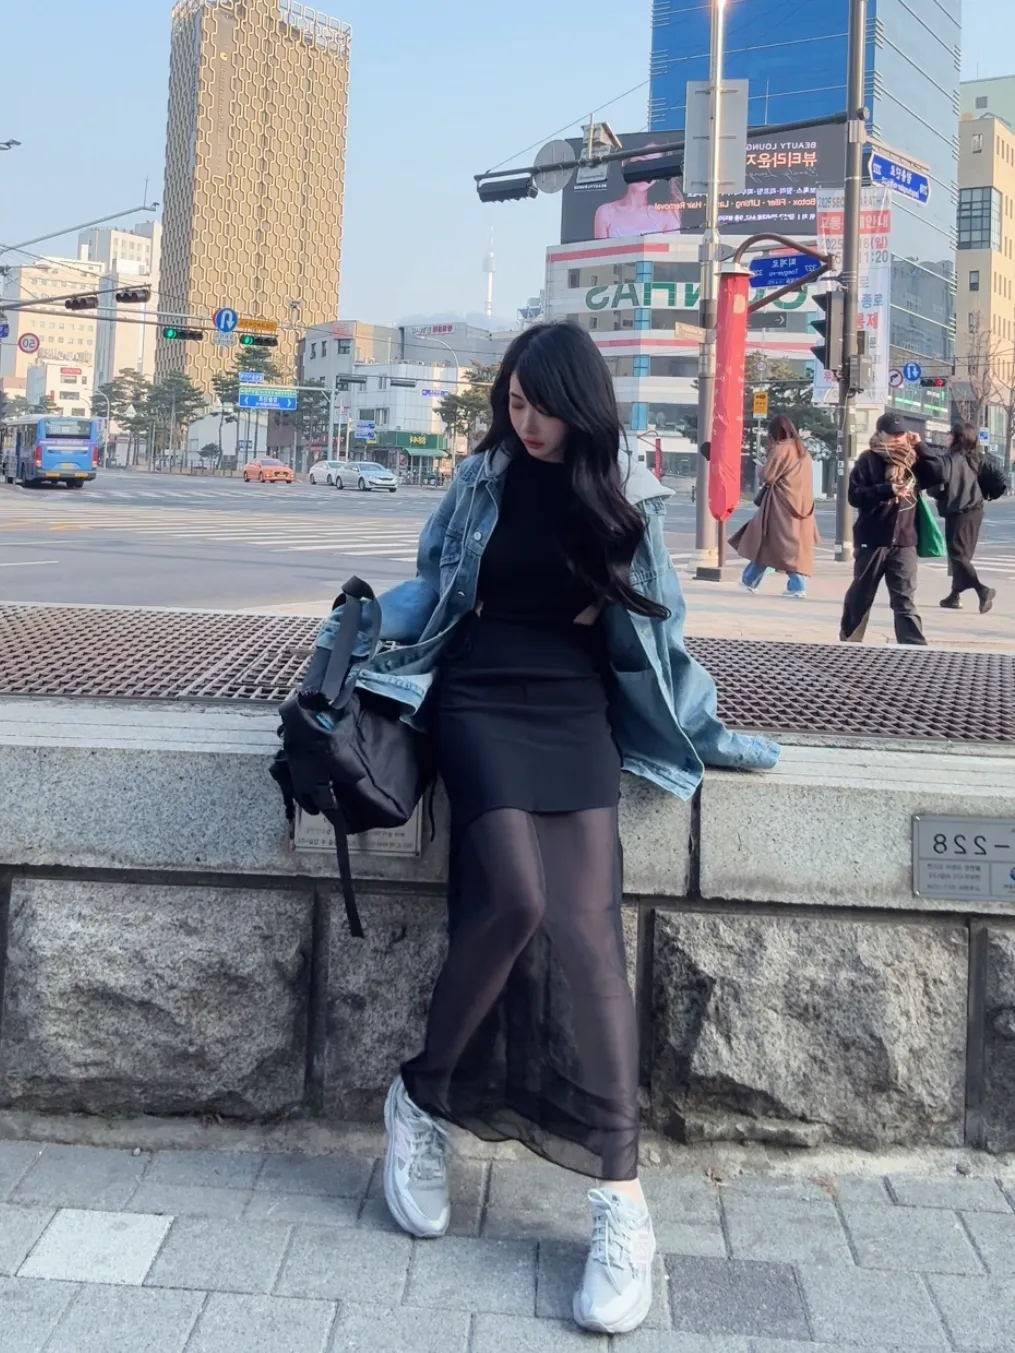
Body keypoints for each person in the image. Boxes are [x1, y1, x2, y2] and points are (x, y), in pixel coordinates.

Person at [315, 323, 778, 1336]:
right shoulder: (480, 478)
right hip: (479, 694)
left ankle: (621, 1200)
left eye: (541, 405)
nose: (525, 422)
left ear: (581, 402)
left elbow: (660, 637)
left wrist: (712, 736)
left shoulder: (623, 497)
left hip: (574, 712)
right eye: (513, 403)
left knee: (589, 936)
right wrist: (354, 630)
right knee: (517, 900)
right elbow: (434, 587)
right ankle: (420, 1102)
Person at [839, 412, 944, 646]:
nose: (897, 438)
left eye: (901, 433)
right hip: (873, 538)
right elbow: (855, 496)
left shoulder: (913, 459)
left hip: (905, 540)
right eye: (892, 434)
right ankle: (850, 640)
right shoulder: (868, 460)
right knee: (862, 594)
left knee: (904, 598)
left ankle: (913, 646)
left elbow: (939, 473)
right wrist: (888, 490)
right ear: (880, 434)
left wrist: (922, 446)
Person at [730, 414, 818, 597]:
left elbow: (769, 476)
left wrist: (760, 469)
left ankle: (796, 586)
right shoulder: (803, 451)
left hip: (780, 504)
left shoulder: (781, 449)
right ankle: (749, 579)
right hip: (802, 505)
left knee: (776, 542)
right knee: (779, 544)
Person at [934, 422, 996, 615]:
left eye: (950, 434)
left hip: (958, 511)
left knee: (958, 555)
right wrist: (986, 494)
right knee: (963, 555)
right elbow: (998, 481)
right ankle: (954, 595)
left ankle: (982, 589)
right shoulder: (977, 458)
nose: (948, 437)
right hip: (975, 510)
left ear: (957, 438)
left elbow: (936, 487)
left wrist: (939, 494)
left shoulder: (948, 459)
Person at [594, 149, 684, 239]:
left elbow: (674, 247)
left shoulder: (667, 213)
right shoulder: (605, 212)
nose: (645, 172)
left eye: (655, 167)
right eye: (640, 163)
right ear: (625, 163)